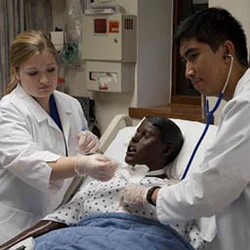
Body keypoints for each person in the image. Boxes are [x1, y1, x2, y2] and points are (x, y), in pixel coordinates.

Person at [119, 7, 250, 250]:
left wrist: (149, 195)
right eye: (184, 61)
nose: (188, 71)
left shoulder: (246, 106)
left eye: (194, 56)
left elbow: (208, 191)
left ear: (227, 52)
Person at [0, 116, 211, 250]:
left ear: (166, 149)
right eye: (135, 134)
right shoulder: (104, 178)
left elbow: (185, 237)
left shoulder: (175, 191)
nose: (133, 141)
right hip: (78, 237)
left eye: (145, 136)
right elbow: (61, 217)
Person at [0, 30, 117, 242]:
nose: (44, 80)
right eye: (33, 73)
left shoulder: (69, 104)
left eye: (51, 70)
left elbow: (76, 144)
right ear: (16, 72)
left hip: (57, 216)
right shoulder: (8, 111)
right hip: (16, 223)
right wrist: (81, 164)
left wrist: (89, 143)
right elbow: (28, 161)